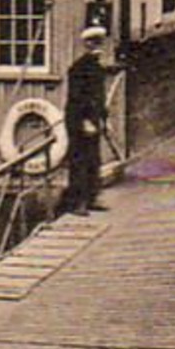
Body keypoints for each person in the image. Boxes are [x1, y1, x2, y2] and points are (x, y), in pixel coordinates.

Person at [61, 25, 111, 215]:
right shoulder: (79, 67)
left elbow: (99, 97)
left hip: (93, 119)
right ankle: (77, 203)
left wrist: (105, 119)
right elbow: (76, 97)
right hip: (78, 120)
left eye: (99, 42)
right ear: (86, 44)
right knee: (79, 161)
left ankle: (91, 198)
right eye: (93, 42)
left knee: (93, 160)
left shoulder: (96, 67)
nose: (97, 46)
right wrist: (84, 121)